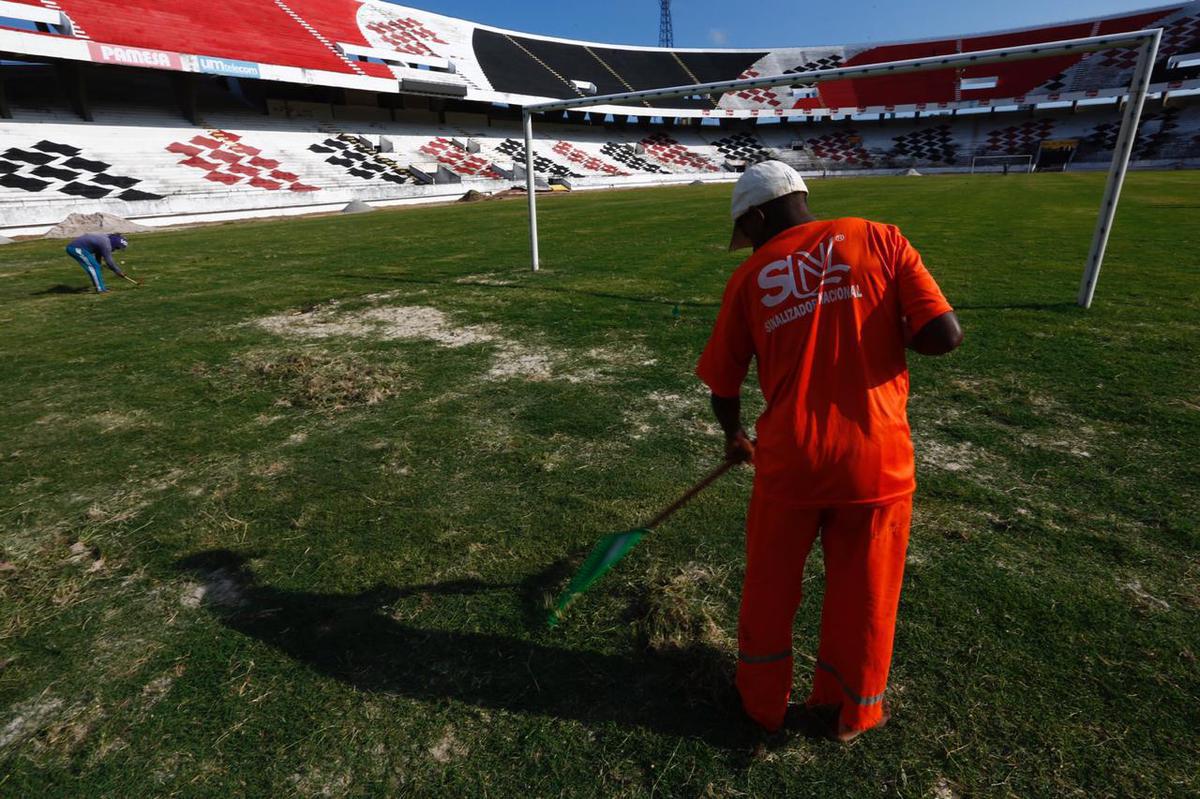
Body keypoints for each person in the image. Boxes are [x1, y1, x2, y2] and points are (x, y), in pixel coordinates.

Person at [696, 160, 963, 742]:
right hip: (877, 462)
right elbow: (945, 336)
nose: (750, 245)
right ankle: (852, 711)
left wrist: (735, 437)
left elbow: (723, 385)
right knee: (866, 597)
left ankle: (761, 706)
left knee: (769, 591)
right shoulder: (880, 237)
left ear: (759, 216)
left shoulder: (750, 278)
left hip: (791, 466)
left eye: (748, 232)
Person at [66, 233, 130, 293]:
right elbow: (110, 262)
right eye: (117, 247)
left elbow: (98, 252)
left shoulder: (106, 239)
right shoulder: (106, 244)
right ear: (115, 244)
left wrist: (99, 263)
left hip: (80, 248)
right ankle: (100, 289)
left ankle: (101, 288)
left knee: (96, 266)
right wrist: (118, 272)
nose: (115, 249)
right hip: (76, 249)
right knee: (94, 267)